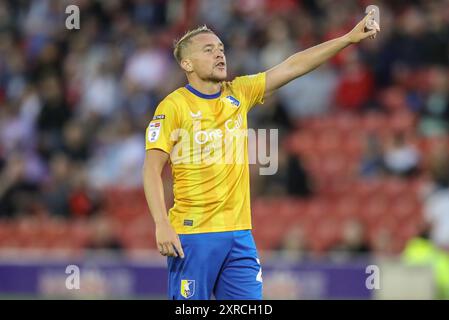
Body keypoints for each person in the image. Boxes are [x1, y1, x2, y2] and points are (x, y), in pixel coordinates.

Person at [142, 12, 380, 300]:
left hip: (240, 235)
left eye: (221, 48)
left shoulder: (239, 93)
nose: (219, 54)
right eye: (209, 49)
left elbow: (293, 65)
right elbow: (151, 169)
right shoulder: (173, 107)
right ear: (186, 63)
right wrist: (161, 223)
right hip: (194, 235)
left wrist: (347, 39)